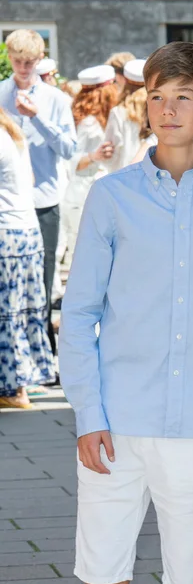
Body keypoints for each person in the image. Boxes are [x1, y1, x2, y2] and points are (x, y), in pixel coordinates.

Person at [60, 41, 193, 584]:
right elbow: (79, 313)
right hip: (116, 425)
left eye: (185, 96)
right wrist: (88, 416)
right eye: (157, 96)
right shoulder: (111, 198)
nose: (168, 109)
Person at [0, 29, 76, 356]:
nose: (22, 67)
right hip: (6, 203)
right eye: (17, 61)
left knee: (43, 282)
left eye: (29, 61)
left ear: (40, 59)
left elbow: (70, 148)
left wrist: (38, 118)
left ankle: (42, 353)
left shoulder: (55, 100)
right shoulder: (0, 93)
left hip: (44, 200)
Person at [0, 108, 55, 409]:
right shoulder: (11, 131)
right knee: (23, 310)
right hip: (27, 230)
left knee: (7, 312)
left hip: (6, 232)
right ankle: (26, 381)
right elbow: (31, 178)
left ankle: (14, 389)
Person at [62, 65, 117, 263]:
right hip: (82, 192)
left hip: (92, 191)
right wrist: (95, 156)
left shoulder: (104, 119)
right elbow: (71, 160)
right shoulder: (89, 124)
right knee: (84, 252)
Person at [104, 58, 148, 172]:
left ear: (125, 80)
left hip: (127, 177)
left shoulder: (118, 112)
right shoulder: (159, 108)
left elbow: (111, 155)